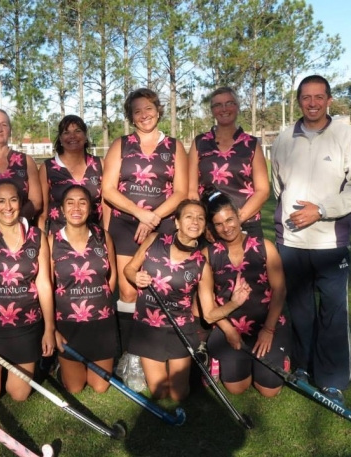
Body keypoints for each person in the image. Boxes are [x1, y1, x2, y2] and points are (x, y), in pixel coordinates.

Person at [271, 74, 351, 405]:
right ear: (298, 101)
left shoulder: (346, 136)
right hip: (292, 242)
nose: (312, 103)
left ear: (329, 100)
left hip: (331, 243)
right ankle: (302, 367)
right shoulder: (284, 138)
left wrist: (323, 210)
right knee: (300, 310)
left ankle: (331, 381)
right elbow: (278, 186)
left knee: (333, 312)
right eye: (306, 97)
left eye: (318, 97)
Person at [124, 200, 238, 401]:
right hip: (148, 326)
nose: (195, 221)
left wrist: (235, 303)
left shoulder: (201, 264)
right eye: (189, 216)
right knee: (159, 393)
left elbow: (209, 314)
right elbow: (129, 268)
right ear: (177, 222)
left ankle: (196, 367)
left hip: (179, 329)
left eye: (200, 218)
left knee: (178, 395)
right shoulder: (154, 239)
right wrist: (135, 277)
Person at [102, 88, 188, 353]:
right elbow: (108, 189)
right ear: (130, 116)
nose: (144, 115)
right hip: (125, 225)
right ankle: (131, 355)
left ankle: (161, 348)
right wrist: (140, 213)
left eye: (148, 108)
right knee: (128, 291)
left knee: (161, 288)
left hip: (162, 226)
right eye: (137, 111)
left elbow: (181, 192)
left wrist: (154, 217)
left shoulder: (174, 146)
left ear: (158, 110)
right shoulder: (120, 144)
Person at [0, 180, 55, 405]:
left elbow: (44, 284)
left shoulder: (37, 236)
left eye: (13, 200)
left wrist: (49, 329)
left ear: (21, 203)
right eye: (1, 201)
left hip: (26, 326)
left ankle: (32, 364)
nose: (8, 207)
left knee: (19, 395)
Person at [202, 188, 289, 397]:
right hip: (230, 325)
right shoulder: (208, 254)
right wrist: (228, 331)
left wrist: (268, 329)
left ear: (238, 215)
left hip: (266, 323)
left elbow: (280, 289)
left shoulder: (265, 247)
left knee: (268, 390)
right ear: (212, 227)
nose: (226, 228)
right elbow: (208, 307)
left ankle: (282, 358)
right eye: (218, 224)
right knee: (236, 388)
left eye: (229, 220)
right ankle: (219, 358)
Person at [49, 185, 117, 393]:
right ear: (62, 209)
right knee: (75, 388)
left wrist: (103, 304)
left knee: (100, 386)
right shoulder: (52, 241)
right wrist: (52, 328)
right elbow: (47, 285)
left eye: (82, 202)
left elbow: (112, 275)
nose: (76, 208)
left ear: (90, 208)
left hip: (101, 321)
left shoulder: (103, 236)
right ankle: (61, 365)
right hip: (68, 323)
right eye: (70, 203)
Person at [188, 87, 269, 238]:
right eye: (218, 105)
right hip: (210, 228)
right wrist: (205, 223)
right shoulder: (200, 142)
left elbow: (263, 191)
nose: (224, 109)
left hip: (246, 223)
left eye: (229, 103)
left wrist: (234, 221)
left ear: (237, 106)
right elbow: (192, 190)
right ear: (212, 110)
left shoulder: (251, 144)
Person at [38, 115, 104, 235]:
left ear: (85, 136)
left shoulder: (100, 165)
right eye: (66, 132)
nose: (72, 136)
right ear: (60, 139)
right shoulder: (47, 168)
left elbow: (107, 207)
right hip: (58, 238)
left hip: (94, 237)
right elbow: (42, 213)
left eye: (77, 131)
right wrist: (43, 241)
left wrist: (105, 236)